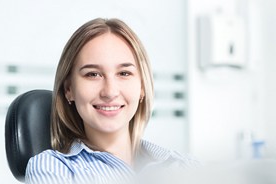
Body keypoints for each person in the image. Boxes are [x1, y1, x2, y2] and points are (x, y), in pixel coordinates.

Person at [25, 18, 199, 184]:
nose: (110, 92)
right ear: (69, 89)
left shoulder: (184, 166)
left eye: (124, 73)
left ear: (142, 87)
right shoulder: (52, 169)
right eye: (93, 74)